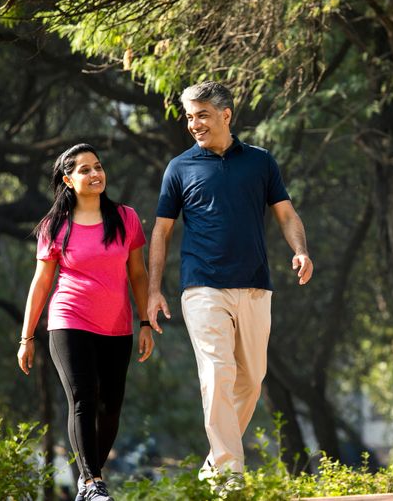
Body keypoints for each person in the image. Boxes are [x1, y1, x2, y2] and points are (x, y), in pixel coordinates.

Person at [147, 81, 313, 492]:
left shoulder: (260, 162)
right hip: (201, 287)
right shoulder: (179, 168)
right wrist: (154, 289)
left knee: (251, 380)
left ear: (226, 115)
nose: (194, 124)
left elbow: (287, 214)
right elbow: (161, 233)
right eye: (189, 116)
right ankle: (227, 479)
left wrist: (301, 251)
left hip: (255, 285)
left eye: (201, 114)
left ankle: (211, 467)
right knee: (218, 374)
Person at [17, 144, 162, 501]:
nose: (95, 174)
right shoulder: (55, 226)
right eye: (84, 170)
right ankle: (93, 481)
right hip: (69, 319)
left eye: (98, 167)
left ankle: (87, 483)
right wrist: (27, 336)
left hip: (116, 325)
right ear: (67, 180)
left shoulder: (125, 218)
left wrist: (145, 322)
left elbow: (138, 275)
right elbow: (41, 283)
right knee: (83, 397)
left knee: (110, 404)